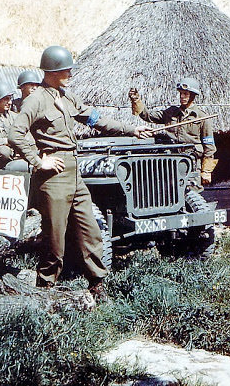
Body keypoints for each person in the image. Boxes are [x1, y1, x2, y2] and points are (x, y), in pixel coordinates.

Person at [8, 45, 152, 299]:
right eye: (66, 70)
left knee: (91, 230)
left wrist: (132, 130)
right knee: (55, 239)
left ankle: (97, 284)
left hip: (75, 174)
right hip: (54, 178)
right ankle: (45, 289)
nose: (70, 74)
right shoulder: (35, 99)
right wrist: (38, 161)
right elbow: (15, 133)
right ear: (53, 71)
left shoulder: (67, 98)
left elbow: (96, 120)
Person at [129, 77, 216, 190]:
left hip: (191, 162)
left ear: (193, 95)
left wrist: (206, 171)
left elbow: (209, 147)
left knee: (191, 192)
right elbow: (148, 116)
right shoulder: (170, 113)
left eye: (186, 94)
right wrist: (136, 100)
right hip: (169, 161)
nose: (182, 97)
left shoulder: (202, 117)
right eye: (181, 93)